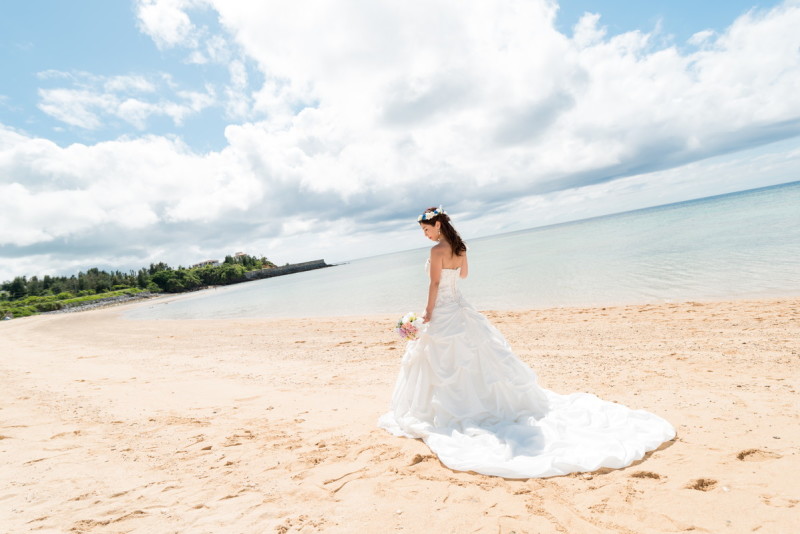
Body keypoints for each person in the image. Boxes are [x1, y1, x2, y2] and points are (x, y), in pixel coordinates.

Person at [377, 206, 676, 478]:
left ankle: (451, 408)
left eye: (427, 229)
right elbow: (463, 276)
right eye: (424, 231)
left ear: (439, 223)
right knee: (475, 357)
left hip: (443, 311)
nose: (426, 234)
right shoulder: (460, 248)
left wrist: (428, 311)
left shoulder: (436, 251)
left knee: (445, 361)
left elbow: (434, 283)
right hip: (460, 307)